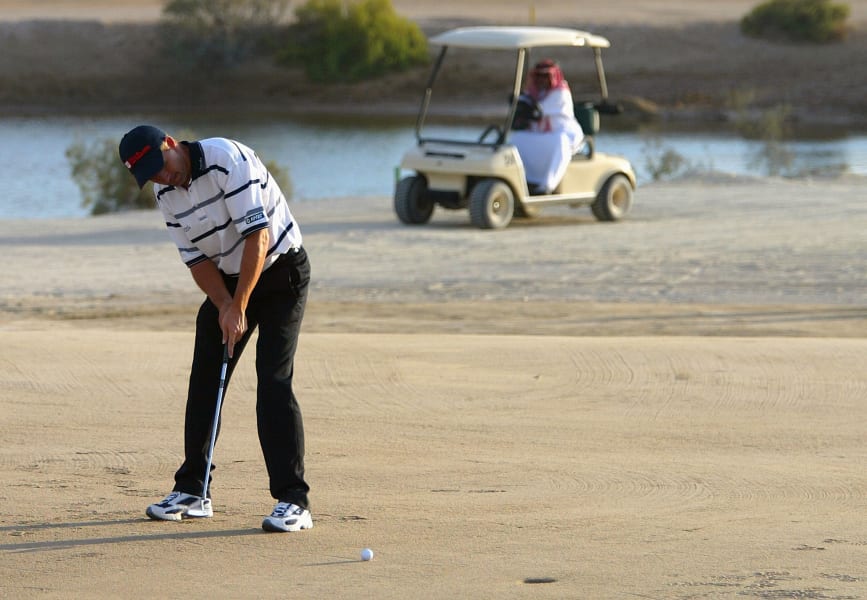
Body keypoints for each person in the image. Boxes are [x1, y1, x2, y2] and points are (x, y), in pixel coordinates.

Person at [118, 125, 313, 533]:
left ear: (171, 143)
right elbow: (195, 260)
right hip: (226, 279)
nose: (162, 177)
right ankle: (194, 489)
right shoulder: (165, 193)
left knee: (272, 380)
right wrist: (224, 304)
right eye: (151, 175)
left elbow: (257, 238)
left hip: (279, 271)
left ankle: (293, 501)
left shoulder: (228, 158)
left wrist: (239, 305)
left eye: (162, 166)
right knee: (206, 378)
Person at [510, 59, 585, 194]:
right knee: (517, 139)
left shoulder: (561, 93)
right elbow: (525, 106)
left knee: (560, 143)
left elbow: (537, 111)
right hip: (540, 135)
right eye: (539, 76)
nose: (541, 80)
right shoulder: (533, 92)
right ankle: (521, 180)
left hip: (564, 133)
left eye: (545, 76)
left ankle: (547, 185)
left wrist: (524, 105)